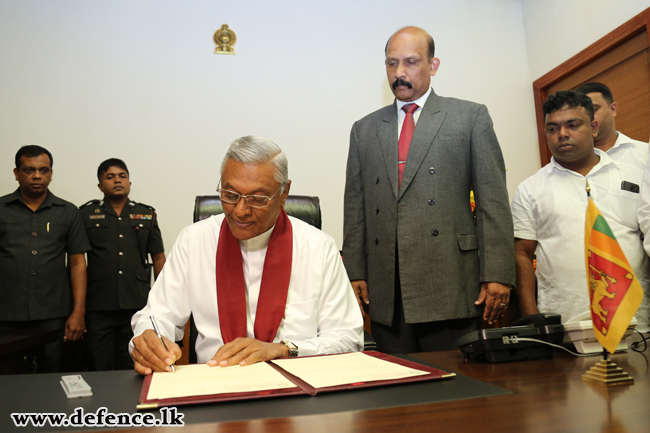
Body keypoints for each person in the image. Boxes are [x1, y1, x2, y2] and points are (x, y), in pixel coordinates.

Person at [343, 26, 515, 353]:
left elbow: (493, 201)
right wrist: (354, 271)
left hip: (451, 278)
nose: (399, 73)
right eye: (392, 64)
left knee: (456, 388)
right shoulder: (363, 129)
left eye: (410, 62)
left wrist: (498, 274)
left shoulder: (469, 117)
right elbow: (355, 207)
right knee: (396, 390)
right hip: (387, 287)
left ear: (433, 65)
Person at [130, 136, 363, 375]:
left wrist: (284, 349)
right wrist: (149, 338)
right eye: (230, 196)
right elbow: (157, 315)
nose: (240, 211)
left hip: (297, 385)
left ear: (284, 193)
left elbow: (348, 339)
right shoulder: (194, 241)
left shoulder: (318, 247)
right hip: (214, 382)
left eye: (257, 199)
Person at [512, 90, 649, 331]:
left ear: (594, 127)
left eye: (572, 125)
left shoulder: (636, 177)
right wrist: (533, 321)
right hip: (565, 325)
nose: (562, 134)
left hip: (635, 322)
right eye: (552, 129)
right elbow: (522, 254)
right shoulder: (530, 189)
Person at [0, 145, 91, 372]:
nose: (37, 176)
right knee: (7, 382)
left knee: (51, 378)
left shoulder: (67, 212)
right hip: (6, 315)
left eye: (44, 170)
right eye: (29, 170)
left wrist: (79, 312)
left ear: (51, 173)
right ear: (16, 173)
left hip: (53, 315)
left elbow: (78, 263)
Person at [79, 159, 166, 370]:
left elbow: (158, 258)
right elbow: (78, 261)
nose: (117, 180)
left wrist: (162, 300)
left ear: (129, 182)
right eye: (110, 177)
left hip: (136, 304)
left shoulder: (146, 214)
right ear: (100, 185)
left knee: (134, 365)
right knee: (100, 365)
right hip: (99, 304)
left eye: (122, 176)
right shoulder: (85, 215)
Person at [576, 82, 649, 169]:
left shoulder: (645, 153)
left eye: (594, 110)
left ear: (613, 109)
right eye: (581, 114)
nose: (588, 118)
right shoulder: (572, 163)